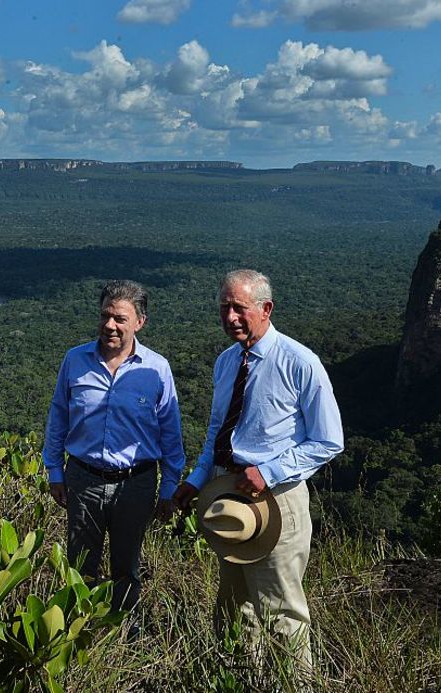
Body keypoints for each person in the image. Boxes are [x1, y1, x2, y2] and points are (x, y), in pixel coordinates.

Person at [174, 269, 343, 670]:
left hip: (277, 500)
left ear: (266, 309)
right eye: (224, 308)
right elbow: (218, 430)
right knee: (233, 614)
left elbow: (329, 440)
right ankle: (240, 679)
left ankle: (296, 683)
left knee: (283, 615)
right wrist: (197, 481)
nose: (231, 316)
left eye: (240, 308)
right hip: (227, 498)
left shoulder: (299, 362)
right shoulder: (226, 361)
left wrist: (269, 471)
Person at [43, 280, 185, 611]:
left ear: (140, 322)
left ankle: (124, 636)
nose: (110, 325)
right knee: (80, 568)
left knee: (127, 568)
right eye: (105, 315)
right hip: (83, 478)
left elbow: (170, 434)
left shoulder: (156, 369)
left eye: (120, 318)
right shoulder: (75, 360)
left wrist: (169, 489)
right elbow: (58, 417)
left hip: (136, 483)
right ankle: (77, 636)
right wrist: (54, 470)